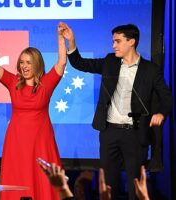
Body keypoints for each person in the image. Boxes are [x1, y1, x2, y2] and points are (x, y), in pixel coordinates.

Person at [61, 23, 172, 199]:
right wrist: (71, 41)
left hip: (135, 134)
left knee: (136, 187)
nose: (113, 45)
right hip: (109, 133)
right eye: (113, 41)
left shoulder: (150, 70)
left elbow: (166, 97)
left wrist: (161, 114)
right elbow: (79, 63)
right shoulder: (110, 62)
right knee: (108, 186)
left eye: (118, 41)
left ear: (132, 42)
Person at [0, 22, 67, 199]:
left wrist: (61, 39)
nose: (24, 66)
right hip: (17, 141)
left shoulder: (46, 84)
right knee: (18, 176)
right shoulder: (13, 82)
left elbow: (61, 63)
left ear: (37, 64)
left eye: (28, 62)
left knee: (41, 180)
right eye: (21, 62)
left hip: (41, 141)